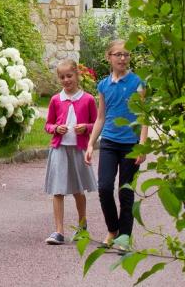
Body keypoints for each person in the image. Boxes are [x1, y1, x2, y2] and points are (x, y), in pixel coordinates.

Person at [85, 39, 148, 254]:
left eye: (126, 54)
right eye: (118, 54)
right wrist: (91, 144)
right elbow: (101, 118)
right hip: (110, 142)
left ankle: (124, 237)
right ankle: (112, 230)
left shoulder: (138, 83)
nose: (123, 58)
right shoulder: (103, 85)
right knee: (104, 188)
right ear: (109, 57)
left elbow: (144, 117)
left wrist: (142, 146)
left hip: (131, 144)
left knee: (125, 192)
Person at [43, 59, 98, 245]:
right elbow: (48, 124)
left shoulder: (88, 99)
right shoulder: (55, 100)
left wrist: (86, 127)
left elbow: (97, 124)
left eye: (69, 76)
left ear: (77, 75)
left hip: (78, 149)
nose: (66, 80)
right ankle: (59, 231)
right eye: (62, 77)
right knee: (57, 190)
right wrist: (55, 129)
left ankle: (82, 227)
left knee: (77, 189)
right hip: (59, 149)